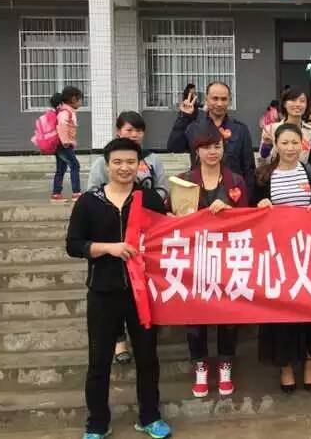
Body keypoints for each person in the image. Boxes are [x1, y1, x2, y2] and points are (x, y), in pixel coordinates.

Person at [66, 137, 172, 439]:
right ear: (107, 165)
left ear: (139, 165)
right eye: (117, 162)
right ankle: (97, 423)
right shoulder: (89, 202)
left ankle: (150, 417)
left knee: (148, 358)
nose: (124, 168)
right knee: (98, 361)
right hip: (103, 292)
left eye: (130, 162)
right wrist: (108, 248)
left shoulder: (148, 199)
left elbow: (166, 235)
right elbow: (73, 245)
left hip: (142, 293)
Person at [254, 123, 311, 393]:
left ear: (303, 144)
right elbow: (252, 210)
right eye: (285, 143)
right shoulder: (264, 175)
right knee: (281, 313)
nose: (290, 148)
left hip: (310, 254)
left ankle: (310, 364)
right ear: (276, 145)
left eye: (295, 143)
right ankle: (285, 366)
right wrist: (261, 206)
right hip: (277, 256)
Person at [87, 110, 168, 366]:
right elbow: (93, 195)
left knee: (139, 291)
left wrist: (146, 203)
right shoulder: (102, 163)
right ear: (118, 131)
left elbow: (162, 189)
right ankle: (119, 339)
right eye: (129, 129)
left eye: (138, 130)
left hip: (146, 239)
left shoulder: (153, 160)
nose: (134, 134)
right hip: (111, 239)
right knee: (116, 289)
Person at [176, 123, 248, 399]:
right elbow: (171, 217)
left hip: (228, 257)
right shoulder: (183, 180)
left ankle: (226, 364)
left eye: (217, 146)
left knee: (227, 313)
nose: (212, 151)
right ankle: (200, 366)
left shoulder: (236, 181)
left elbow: (248, 219)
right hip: (194, 259)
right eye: (206, 147)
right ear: (197, 151)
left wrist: (229, 212)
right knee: (195, 315)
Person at [167, 81, 255, 193]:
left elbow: (249, 168)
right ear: (206, 99)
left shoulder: (240, 129)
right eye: (215, 98)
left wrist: (247, 198)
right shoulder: (195, 127)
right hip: (200, 192)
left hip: (232, 193)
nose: (219, 104)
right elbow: (174, 147)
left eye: (224, 99)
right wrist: (184, 117)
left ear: (229, 101)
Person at [259, 87, 311, 165]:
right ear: (284, 104)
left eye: (302, 101)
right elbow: (262, 160)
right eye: (293, 100)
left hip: (301, 172)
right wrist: (267, 146)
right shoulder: (270, 129)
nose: (297, 104)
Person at [50, 86, 83, 203]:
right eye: (80, 99)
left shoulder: (65, 111)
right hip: (64, 145)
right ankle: (76, 193)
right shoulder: (66, 112)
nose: (81, 102)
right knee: (75, 165)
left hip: (60, 144)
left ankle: (56, 194)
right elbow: (62, 126)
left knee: (61, 168)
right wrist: (65, 142)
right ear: (73, 99)